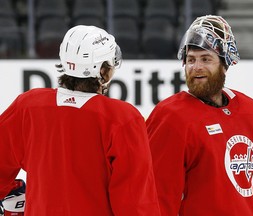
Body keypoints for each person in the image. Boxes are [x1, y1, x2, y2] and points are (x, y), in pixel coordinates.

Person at [0, 25, 161, 216]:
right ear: (103, 71)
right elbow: (135, 202)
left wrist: (13, 193)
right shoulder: (123, 118)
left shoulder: (28, 106)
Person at [146, 15, 253, 215]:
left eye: (206, 59)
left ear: (225, 64)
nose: (196, 67)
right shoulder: (170, 117)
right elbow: (157, 197)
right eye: (191, 60)